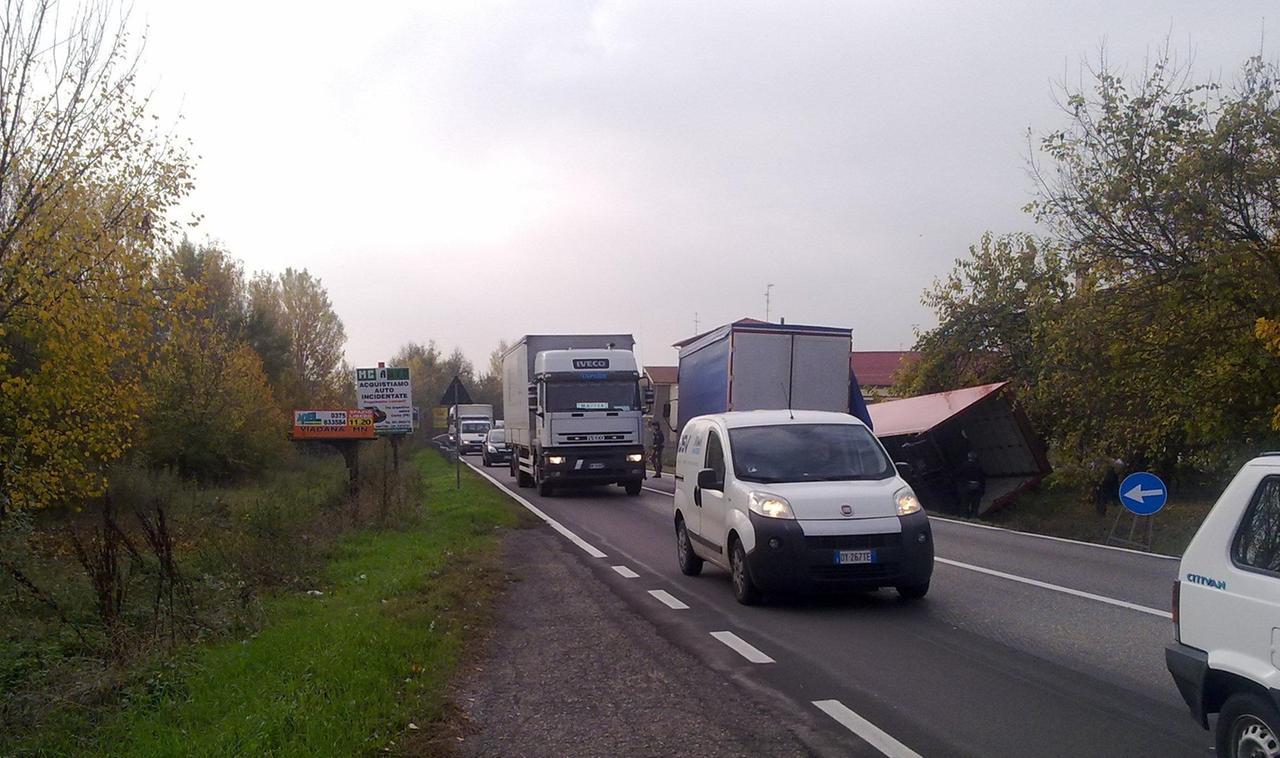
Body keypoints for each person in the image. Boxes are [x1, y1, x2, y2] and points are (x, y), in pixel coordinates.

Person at [956, 451, 986, 517]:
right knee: (975, 506)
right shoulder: (979, 467)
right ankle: (974, 518)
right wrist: (982, 490)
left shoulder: (963, 465)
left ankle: (964, 517)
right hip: (977, 487)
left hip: (966, 487)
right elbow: (983, 479)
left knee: (964, 504)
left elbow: (958, 475)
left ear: (968, 457)